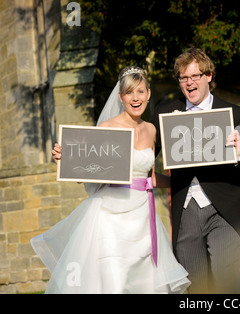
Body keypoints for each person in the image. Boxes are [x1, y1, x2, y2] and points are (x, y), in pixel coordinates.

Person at [31, 66, 190, 294]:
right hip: (111, 218)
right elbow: (89, 172)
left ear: (148, 94)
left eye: (141, 91)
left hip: (144, 218)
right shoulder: (108, 128)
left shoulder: (152, 130)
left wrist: (183, 180)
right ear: (120, 97)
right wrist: (64, 160)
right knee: (114, 282)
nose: (135, 98)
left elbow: (151, 178)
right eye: (129, 93)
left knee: (145, 283)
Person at [151, 48, 240, 293]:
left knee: (226, 282)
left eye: (195, 76)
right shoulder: (165, 113)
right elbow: (143, 154)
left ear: (209, 76)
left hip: (224, 212)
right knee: (196, 288)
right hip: (185, 211)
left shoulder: (236, 114)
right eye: (183, 78)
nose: (189, 83)